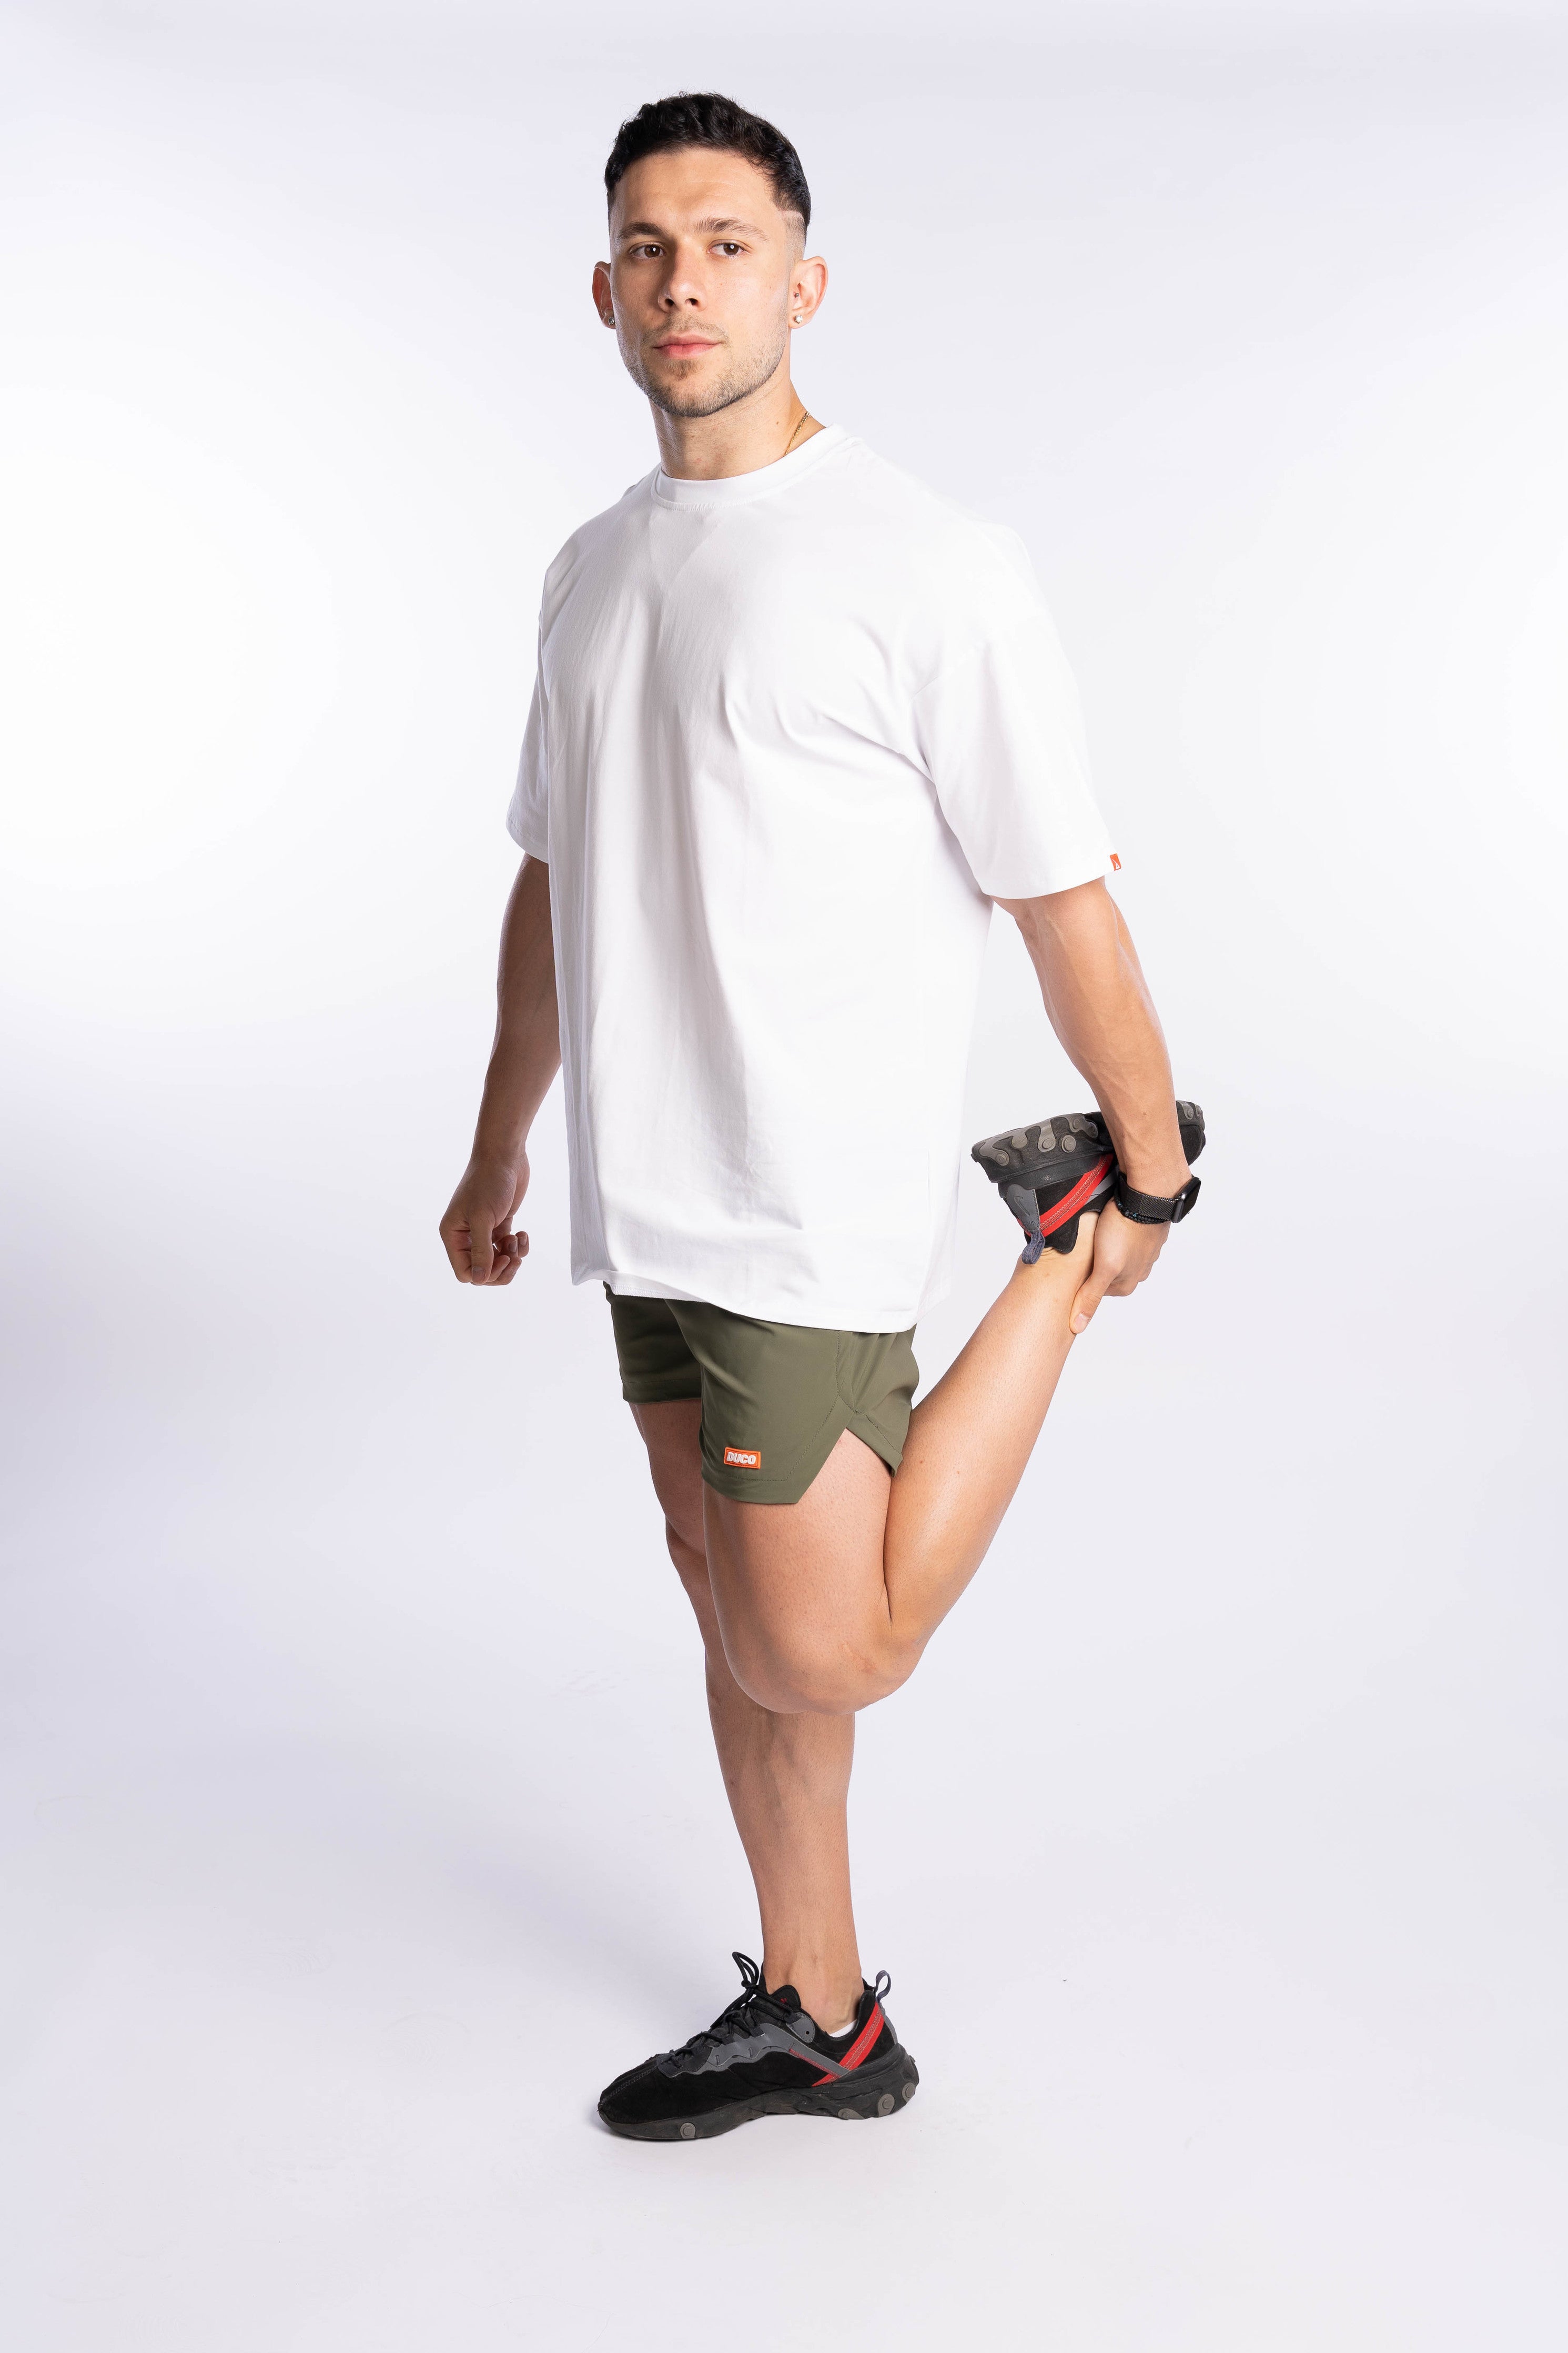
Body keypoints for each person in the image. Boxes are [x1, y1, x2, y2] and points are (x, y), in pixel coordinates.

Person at [439, 92, 1202, 2144]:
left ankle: (1058, 1249)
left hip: (805, 1199)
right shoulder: (590, 569)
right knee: (725, 1599)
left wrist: (1151, 1164)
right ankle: (818, 2010)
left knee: (832, 1648)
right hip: (644, 1191)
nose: (683, 282)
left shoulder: (926, 562)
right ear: (603, 291)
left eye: (726, 243)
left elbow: (1060, 890)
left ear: (805, 280)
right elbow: (549, 881)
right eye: (647, 248)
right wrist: (499, 1141)